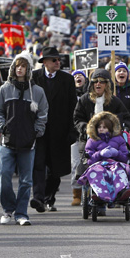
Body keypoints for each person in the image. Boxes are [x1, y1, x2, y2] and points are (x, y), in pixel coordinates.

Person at [0, 51, 48, 226]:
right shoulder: (5, 89)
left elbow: (43, 113)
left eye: (23, 66)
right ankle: (7, 210)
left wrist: (36, 132)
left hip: (28, 143)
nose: (20, 69)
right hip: (7, 142)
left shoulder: (38, 92)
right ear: (13, 68)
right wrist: (2, 126)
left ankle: (21, 213)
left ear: (28, 69)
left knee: (26, 180)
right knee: (4, 175)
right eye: (17, 66)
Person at [74, 68, 130, 214]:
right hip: (90, 140)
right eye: (95, 82)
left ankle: (118, 192)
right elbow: (77, 118)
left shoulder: (114, 101)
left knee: (115, 168)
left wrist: (120, 127)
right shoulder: (85, 100)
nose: (98, 84)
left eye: (102, 82)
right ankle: (97, 198)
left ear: (107, 84)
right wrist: (85, 128)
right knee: (91, 165)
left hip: (111, 139)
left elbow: (127, 118)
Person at [31, 46, 77, 213]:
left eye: (59, 60)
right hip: (39, 130)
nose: (58, 62)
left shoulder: (67, 79)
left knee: (56, 169)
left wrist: (73, 130)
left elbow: (73, 106)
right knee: (38, 164)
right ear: (45, 62)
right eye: (54, 60)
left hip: (60, 132)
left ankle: (48, 196)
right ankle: (37, 197)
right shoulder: (34, 78)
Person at [77, 111, 130, 203]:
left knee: (119, 170)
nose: (101, 129)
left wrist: (116, 153)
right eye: (99, 127)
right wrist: (100, 154)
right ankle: (99, 194)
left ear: (110, 128)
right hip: (98, 164)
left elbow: (125, 157)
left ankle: (121, 192)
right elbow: (89, 159)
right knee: (97, 171)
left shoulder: (119, 139)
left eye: (104, 127)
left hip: (115, 163)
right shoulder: (92, 141)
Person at [70, 70, 88, 206]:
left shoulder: (90, 96)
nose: (77, 77)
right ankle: (76, 192)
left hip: (91, 136)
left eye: (80, 75)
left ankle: (89, 192)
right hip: (76, 135)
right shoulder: (69, 95)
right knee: (76, 164)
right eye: (75, 75)